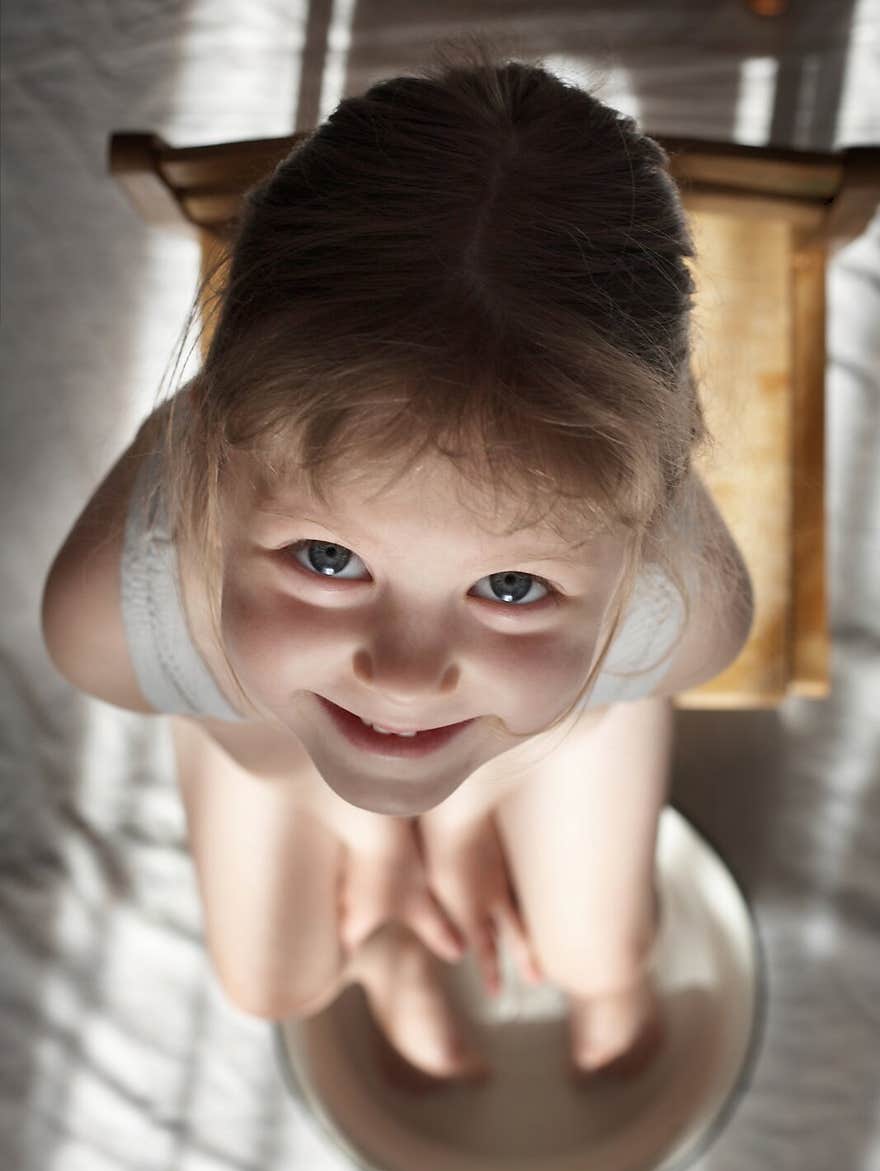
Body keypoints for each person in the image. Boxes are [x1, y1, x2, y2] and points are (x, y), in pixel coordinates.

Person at [41, 35, 754, 1089]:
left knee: (599, 953)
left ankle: (570, 945)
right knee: (268, 987)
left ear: (635, 529)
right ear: (211, 455)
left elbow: (582, 699)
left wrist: (461, 803)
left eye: (509, 586)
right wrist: (363, 826)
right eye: (327, 557)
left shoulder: (682, 608)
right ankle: (380, 941)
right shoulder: (111, 620)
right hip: (256, 719)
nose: (407, 673)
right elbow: (236, 719)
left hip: (556, 722)